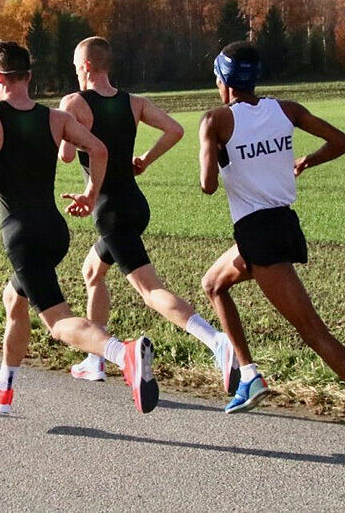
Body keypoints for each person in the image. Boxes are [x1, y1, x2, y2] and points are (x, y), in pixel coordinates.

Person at [198, 40, 345, 473]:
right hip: (281, 225)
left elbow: (206, 185)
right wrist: (306, 161)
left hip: (258, 234)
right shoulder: (287, 110)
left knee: (313, 331)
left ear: (222, 80)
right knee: (214, 284)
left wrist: (215, 150)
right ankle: (249, 374)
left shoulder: (216, 119)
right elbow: (341, 141)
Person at [0, 40, 159, 416]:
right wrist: (91, 194)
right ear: (28, 77)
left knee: (58, 323)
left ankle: (122, 353)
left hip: (23, 238)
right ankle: (3, 386)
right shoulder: (57, 118)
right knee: (14, 299)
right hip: (55, 233)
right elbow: (99, 150)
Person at [59, 37, 240, 393]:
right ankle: (95, 360)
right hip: (135, 205)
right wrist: (143, 159)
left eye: (76, 67)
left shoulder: (74, 103)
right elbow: (175, 129)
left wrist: (81, 141)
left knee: (150, 290)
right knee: (92, 272)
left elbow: (65, 155)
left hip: (109, 211)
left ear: (85, 67)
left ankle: (217, 342)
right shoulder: (134, 102)